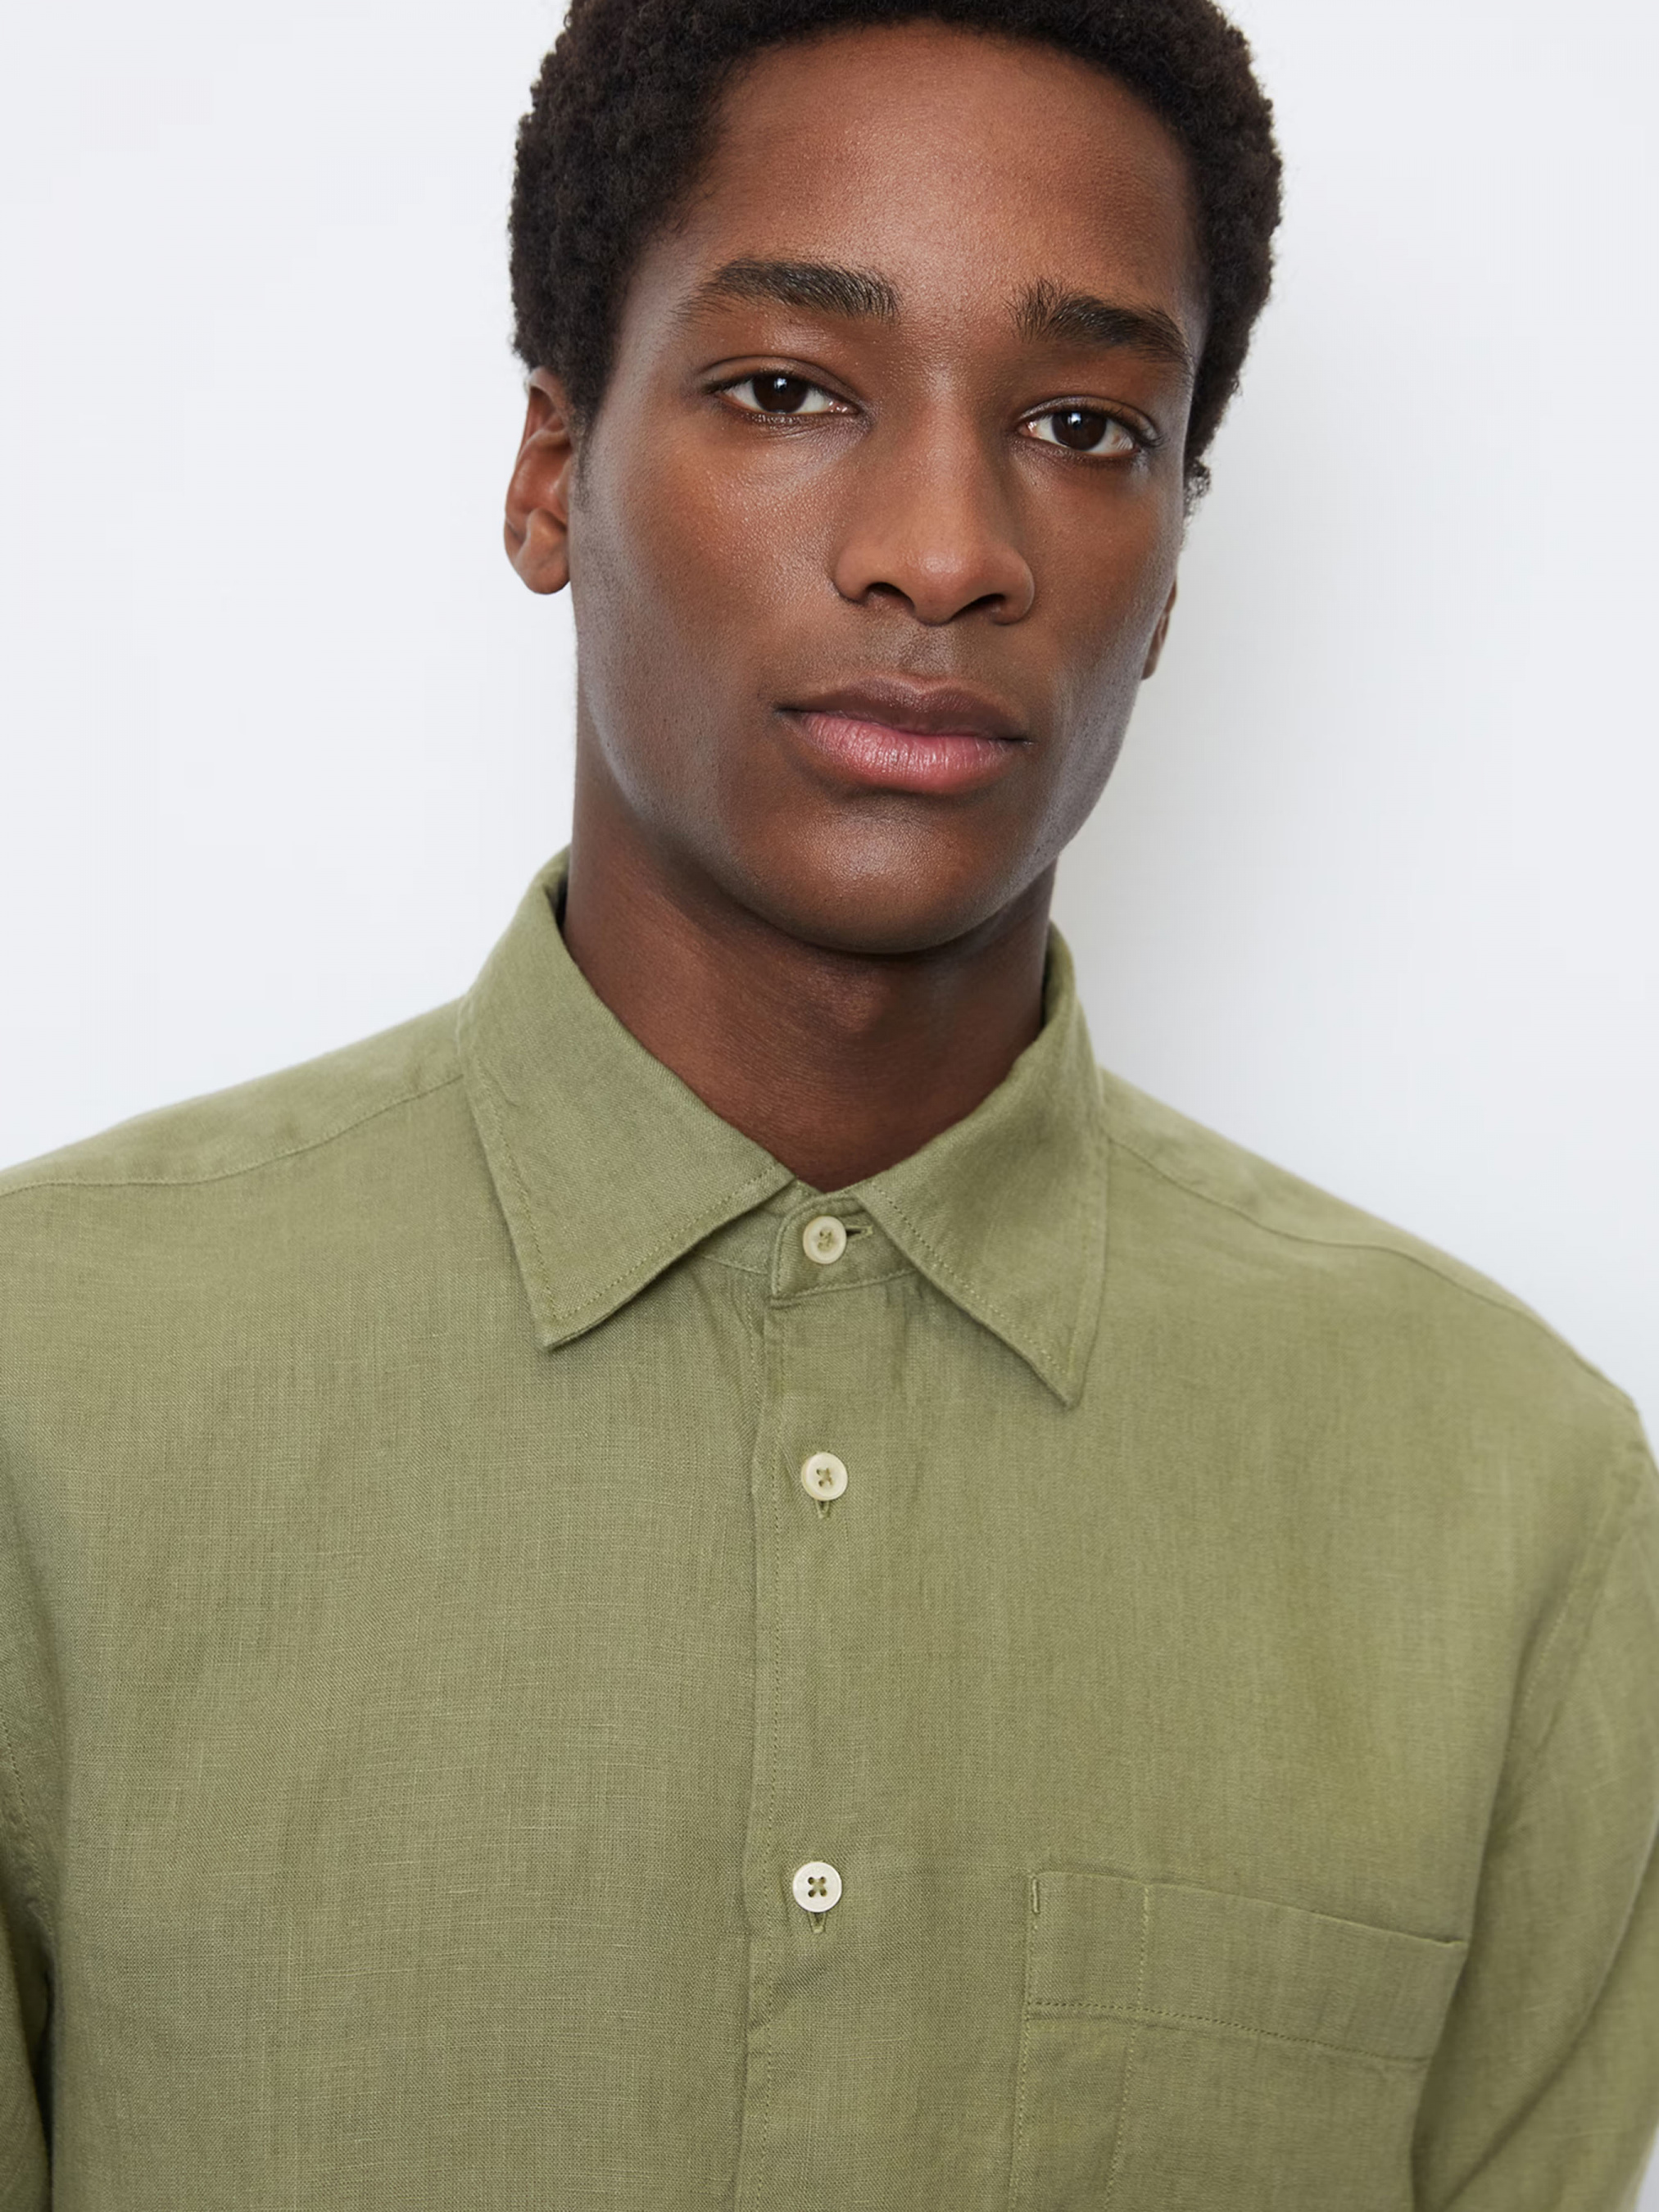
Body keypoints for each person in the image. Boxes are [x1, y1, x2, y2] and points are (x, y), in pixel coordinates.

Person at [2, 0, 1655, 2203]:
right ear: (550, 470)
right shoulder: (45, 1389)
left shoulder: (1511, 1503)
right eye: (788, 388)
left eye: (1081, 423)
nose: (944, 547)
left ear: (1173, 560)